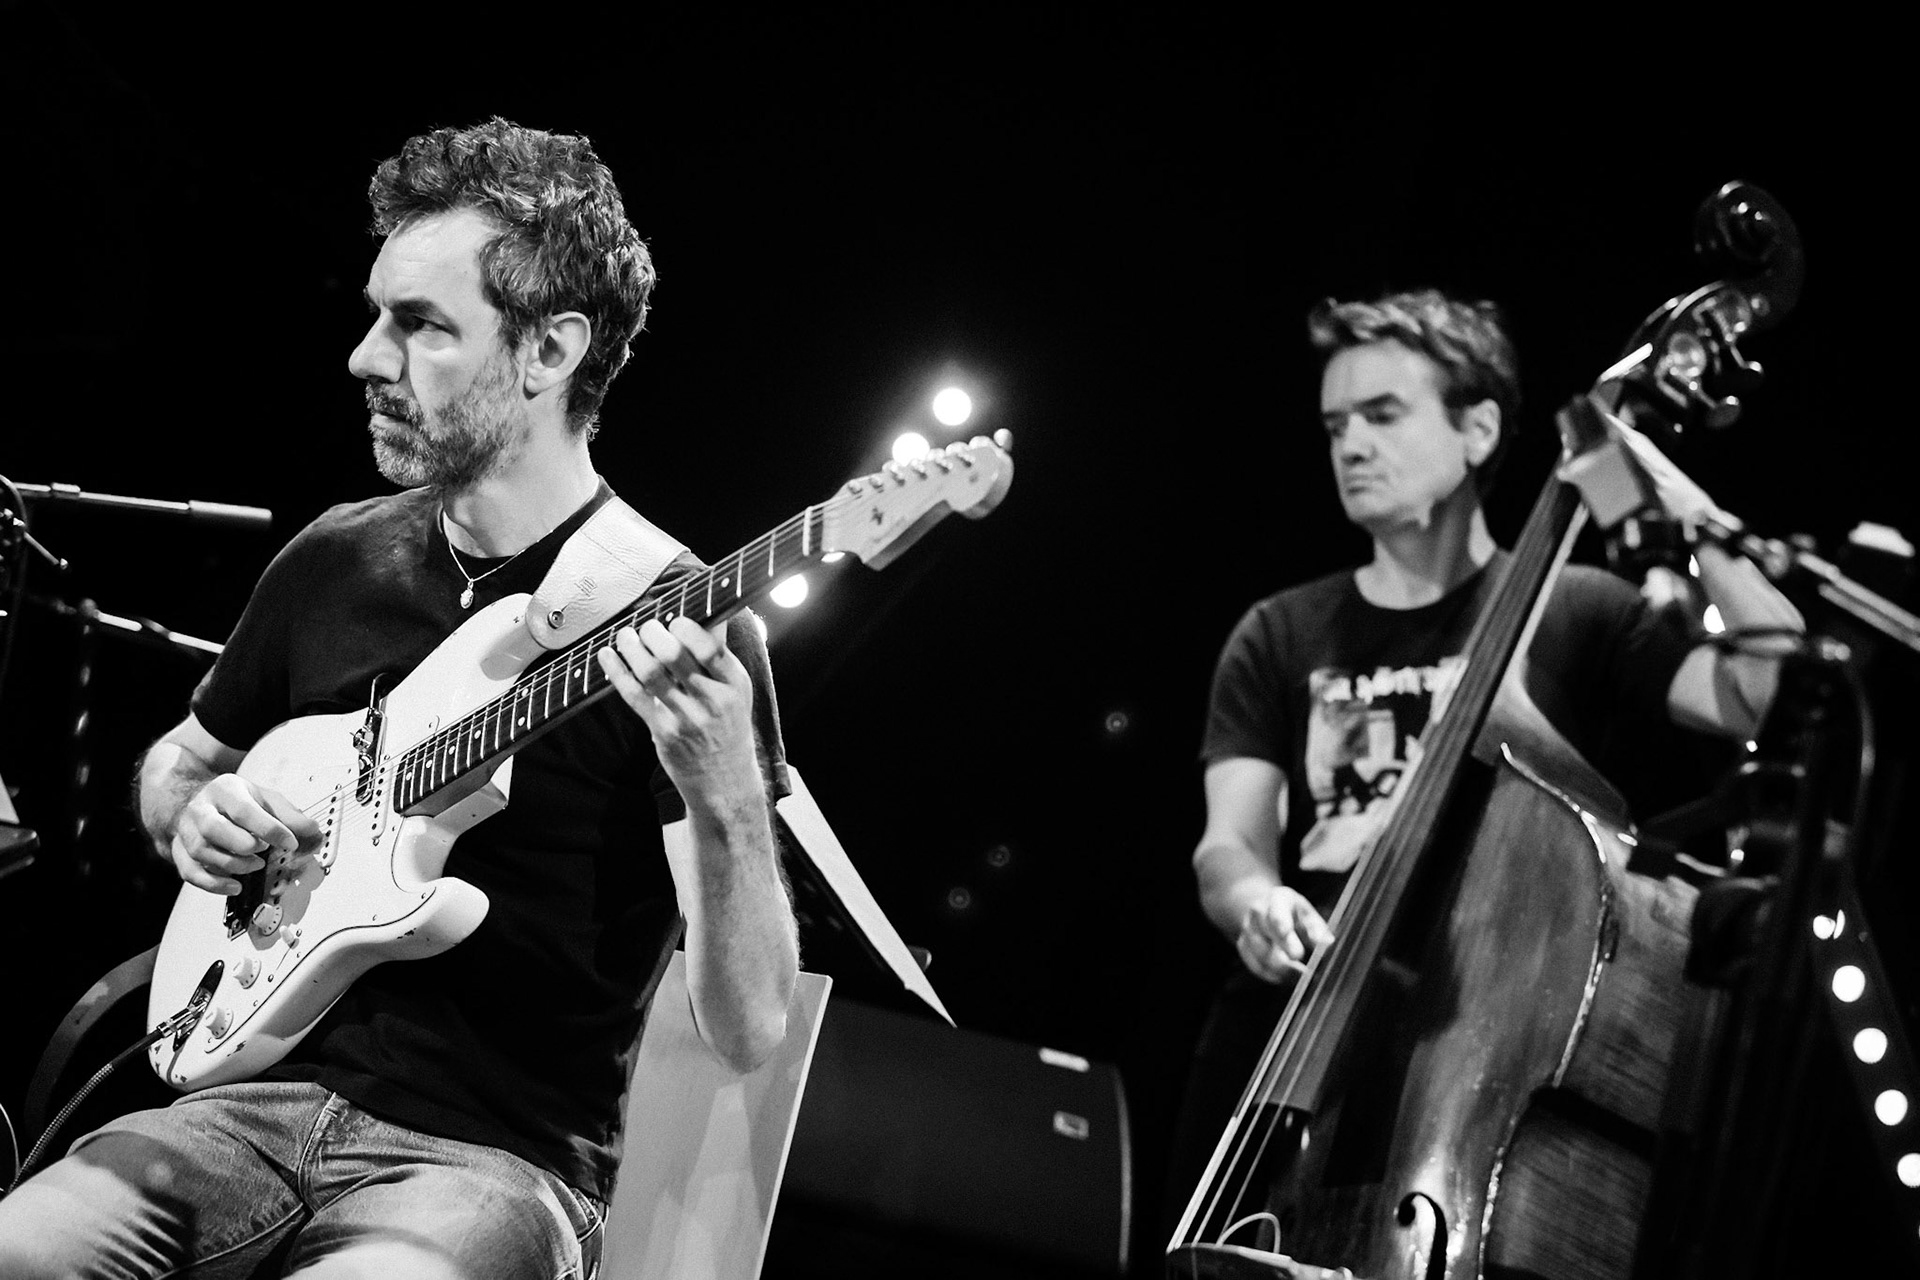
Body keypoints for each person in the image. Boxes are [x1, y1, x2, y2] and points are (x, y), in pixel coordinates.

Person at [0, 117, 800, 1280]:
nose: (367, 357)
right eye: (381, 314)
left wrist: (725, 789)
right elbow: (180, 761)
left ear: (548, 352)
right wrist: (195, 816)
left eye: (420, 326)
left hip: (491, 1165)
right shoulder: (337, 556)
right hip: (239, 1106)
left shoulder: (675, 617)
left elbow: (749, 1025)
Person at [1165, 287, 1804, 1219]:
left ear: (1478, 429)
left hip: (1475, 1034)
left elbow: (1772, 690)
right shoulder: (1279, 631)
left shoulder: (1577, 607)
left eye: (1383, 415)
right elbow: (1229, 846)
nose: (1350, 445)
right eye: (1336, 423)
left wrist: (1675, 497)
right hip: (1288, 1029)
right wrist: (1255, 903)